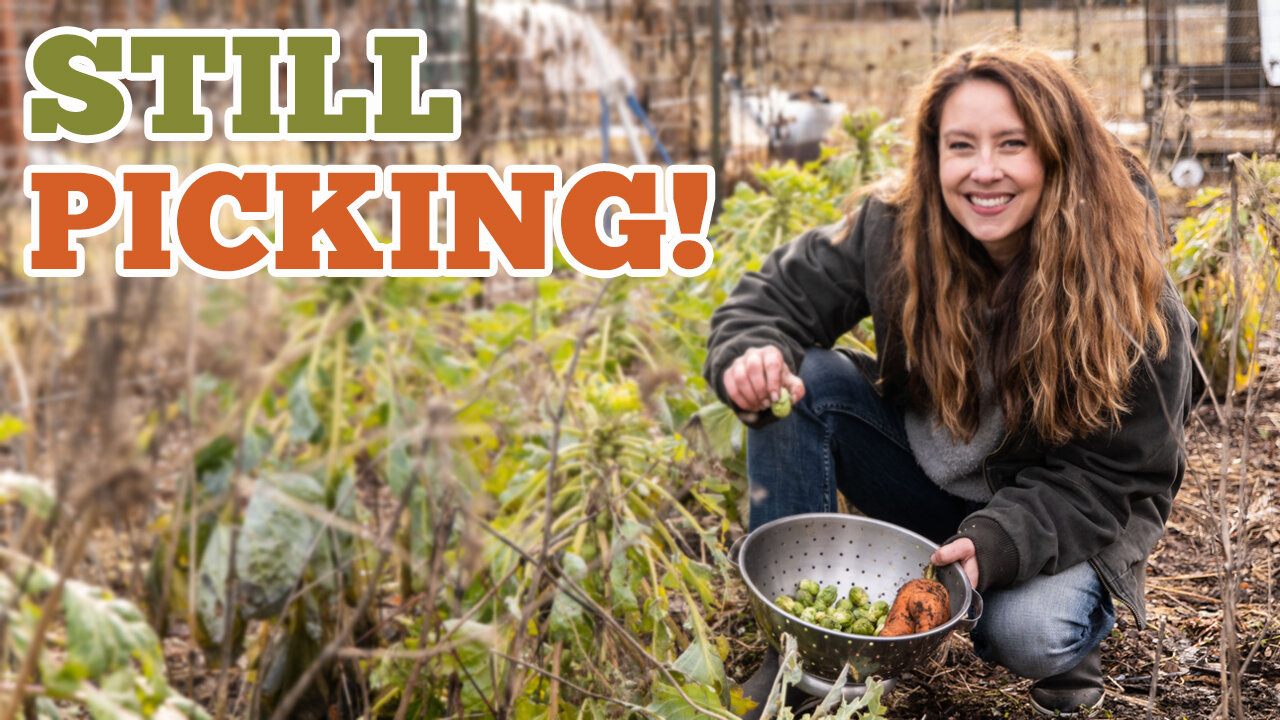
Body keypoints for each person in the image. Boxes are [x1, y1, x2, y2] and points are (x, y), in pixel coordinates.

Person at [704, 44, 1198, 718]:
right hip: (925, 478)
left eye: (1012, 144)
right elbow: (775, 296)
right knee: (804, 384)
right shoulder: (895, 226)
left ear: (1057, 154)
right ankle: (796, 650)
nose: (984, 171)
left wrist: (992, 548)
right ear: (934, 155)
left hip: (1055, 514)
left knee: (1029, 632)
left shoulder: (1129, 288)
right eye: (961, 146)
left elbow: (1115, 475)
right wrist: (750, 352)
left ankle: (1075, 640)